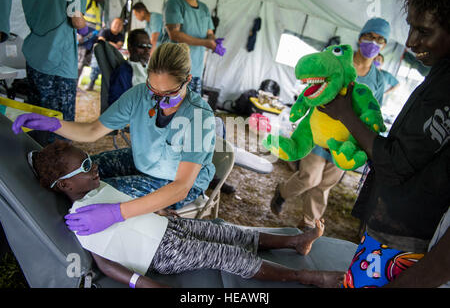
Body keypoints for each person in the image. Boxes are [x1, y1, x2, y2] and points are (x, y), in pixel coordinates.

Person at [31, 140, 345, 288]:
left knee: (227, 231)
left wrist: (163, 212)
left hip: (165, 228)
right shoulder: (81, 218)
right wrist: (142, 284)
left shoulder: (99, 188)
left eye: (90, 159)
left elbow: (130, 210)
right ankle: (305, 276)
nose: (94, 166)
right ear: (66, 184)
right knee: (223, 254)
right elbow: (102, 260)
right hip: (159, 252)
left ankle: (294, 242)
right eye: (86, 166)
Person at [317, 0, 450, 288]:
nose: (412, 41)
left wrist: (346, 114)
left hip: (402, 235)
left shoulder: (445, 89)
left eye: (424, 31)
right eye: (412, 27)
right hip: (397, 224)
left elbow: (395, 162)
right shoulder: (439, 75)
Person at [12, 43, 217, 236]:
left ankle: (64, 236)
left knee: (95, 195)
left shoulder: (198, 116)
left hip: (174, 181)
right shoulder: (139, 95)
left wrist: (116, 213)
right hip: (142, 159)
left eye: (169, 93)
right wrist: (54, 124)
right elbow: (93, 130)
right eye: (153, 90)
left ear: (188, 80)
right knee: (81, 174)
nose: (158, 99)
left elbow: (180, 187)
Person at [270, 18, 391, 231]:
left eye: (379, 40)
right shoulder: (338, 59)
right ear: (360, 37)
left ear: (385, 46)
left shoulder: (378, 79)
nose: (373, 43)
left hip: (347, 138)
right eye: (370, 37)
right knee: (310, 178)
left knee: (325, 185)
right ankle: (283, 192)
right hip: (321, 129)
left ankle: (307, 224)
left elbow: (372, 109)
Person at [4, 0, 87, 125]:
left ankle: (35, 146)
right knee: (60, 125)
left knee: (37, 117)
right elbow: (76, 21)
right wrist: (85, 27)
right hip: (59, 59)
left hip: (34, 55)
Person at [163, 0, 226, 94]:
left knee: (196, 107)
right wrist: (206, 43)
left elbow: (209, 33)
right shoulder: (175, 3)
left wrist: (214, 42)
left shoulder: (204, 8)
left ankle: (197, 111)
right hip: (176, 69)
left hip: (196, 70)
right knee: (171, 106)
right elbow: (174, 34)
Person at [108, 29, 151, 105]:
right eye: (142, 46)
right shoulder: (123, 72)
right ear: (130, 47)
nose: (147, 50)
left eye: (149, 46)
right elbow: (116, 103)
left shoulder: (150, 69)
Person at [86, 17, 125, 91]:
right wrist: (111, 44)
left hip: (112, 55)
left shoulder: (121, 36)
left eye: (120, 25)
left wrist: (107, 42)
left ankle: (108, 87)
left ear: (122, 27)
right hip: (100, 54)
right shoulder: (105, 31)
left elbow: (118, 46)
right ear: (111, 24)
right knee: (95, 66)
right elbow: (101, 41)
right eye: (116, 23)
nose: (117, 26)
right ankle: (91, 83)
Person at [77, 0, 105, 78]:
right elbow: (77, 16)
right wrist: (77, 35)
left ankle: (76, 85)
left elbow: (97, 24)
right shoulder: (86, 0)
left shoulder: (98, 6)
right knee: (78, 62)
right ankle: (73, 84)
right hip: (82, 37)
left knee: (84, 62)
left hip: (90, 39)